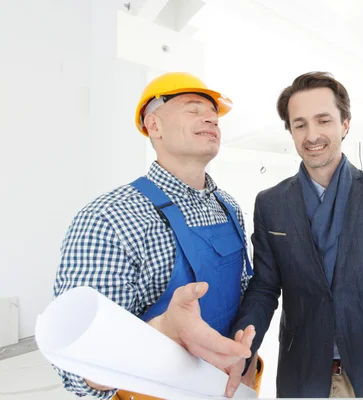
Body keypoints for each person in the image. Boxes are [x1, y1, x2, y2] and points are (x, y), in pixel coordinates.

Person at [225, 72, 363, 398]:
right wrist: (242, 344)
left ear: (345, 123)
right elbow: (264, 287)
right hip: (301, 372)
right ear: (290, 131)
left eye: (324, 120)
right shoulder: (270, 203)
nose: (312, 134)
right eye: (300, 124)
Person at [53, 72, 258, 400]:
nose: (210, 118)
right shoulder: (110, 217)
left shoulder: (229, 206)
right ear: (154, 125)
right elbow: (80, 366)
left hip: (233, 385)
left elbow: (244, 290)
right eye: (193, 109)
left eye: (214, 114)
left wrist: (245, 362)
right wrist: (163, 332)